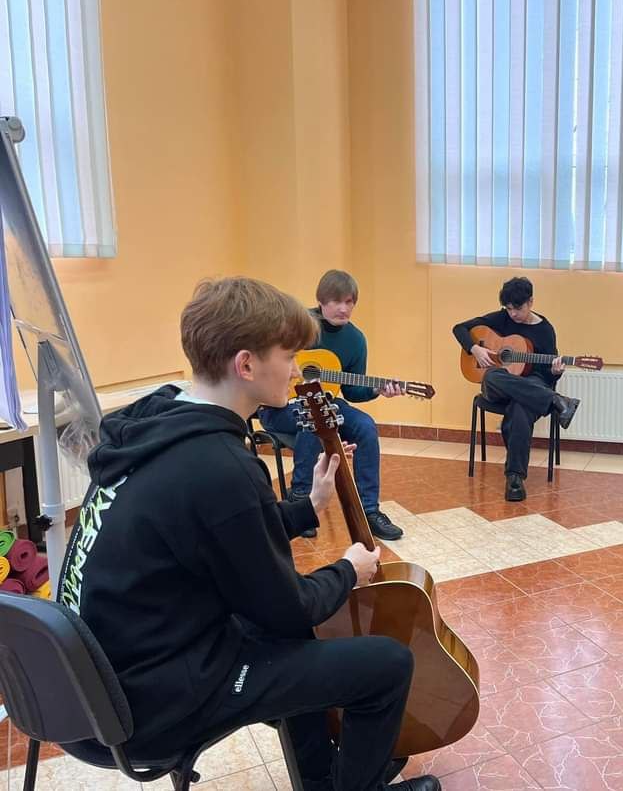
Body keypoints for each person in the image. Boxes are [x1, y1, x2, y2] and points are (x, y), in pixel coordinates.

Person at [57, 277, 440, 791]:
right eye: (289, 356)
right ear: (246, 365)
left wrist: (309, 507)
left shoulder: (156, 422)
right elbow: (291, 606)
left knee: (288, 641)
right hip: (146, 709)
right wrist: (349, 569)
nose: (297, 370)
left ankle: (323, 779)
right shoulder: (220, 463)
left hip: (90, 686)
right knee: (387, 666)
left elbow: (224, 530)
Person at [260, 270, 404, 541]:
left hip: (327, 401)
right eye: (336, 301)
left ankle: (369, 511)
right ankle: (300, 499)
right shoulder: (296, 323)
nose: (343, 308)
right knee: (316, 415)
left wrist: (376, 390)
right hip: (278, 405)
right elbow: (266, 356)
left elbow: (351, 391)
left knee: (365, 426)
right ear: (321, 301)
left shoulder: (356, 340)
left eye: (349, 302)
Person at [452, 276, 579, 502]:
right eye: (508, 308)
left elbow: (548, 375)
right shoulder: (502, 318)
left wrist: (556, 372)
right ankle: (556, 401)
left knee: (521, 407)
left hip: (533, 384)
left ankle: (514, 479)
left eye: (517, 308)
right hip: (498, 385)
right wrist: (474, 349)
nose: (512, 314)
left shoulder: (545, 330)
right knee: (492, 376)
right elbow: (459, 328)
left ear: (531, 302)